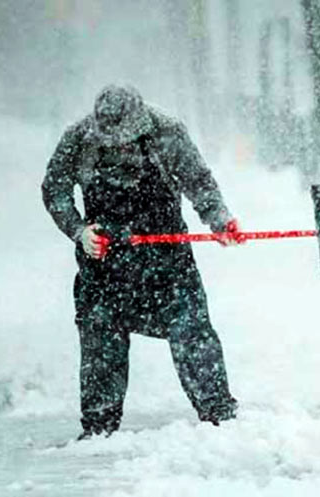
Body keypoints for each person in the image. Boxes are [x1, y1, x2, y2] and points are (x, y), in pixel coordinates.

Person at [41, 85, 242, 439]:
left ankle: (219, 416)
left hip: (167, 263)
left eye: (126, 141)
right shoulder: (77, 138)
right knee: (101, 342)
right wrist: (79, 231)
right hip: (104, 265)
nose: (119, 147)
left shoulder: (167, 131)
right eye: (111, 142)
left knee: (192, 332)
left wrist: (219, 219)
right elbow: (54, 190)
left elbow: (198, 181)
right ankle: (99, 427)